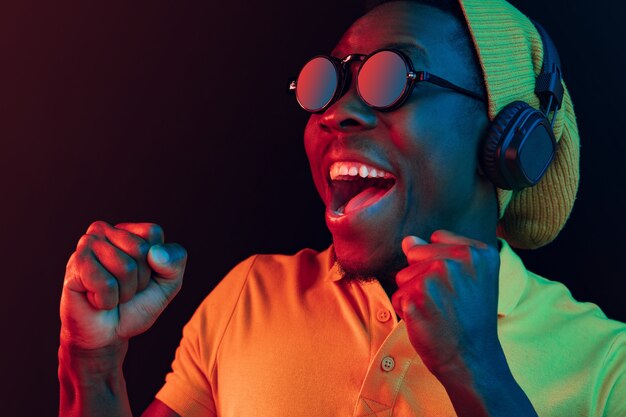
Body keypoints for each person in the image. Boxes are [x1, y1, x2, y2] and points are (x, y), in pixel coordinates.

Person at [58, 0, 626, 416]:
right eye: (327, 84)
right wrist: (93, 364)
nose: (335, 113)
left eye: (390, 78)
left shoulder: (607, 367)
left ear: (507, 141)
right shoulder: (248, 295)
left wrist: (477, 370)